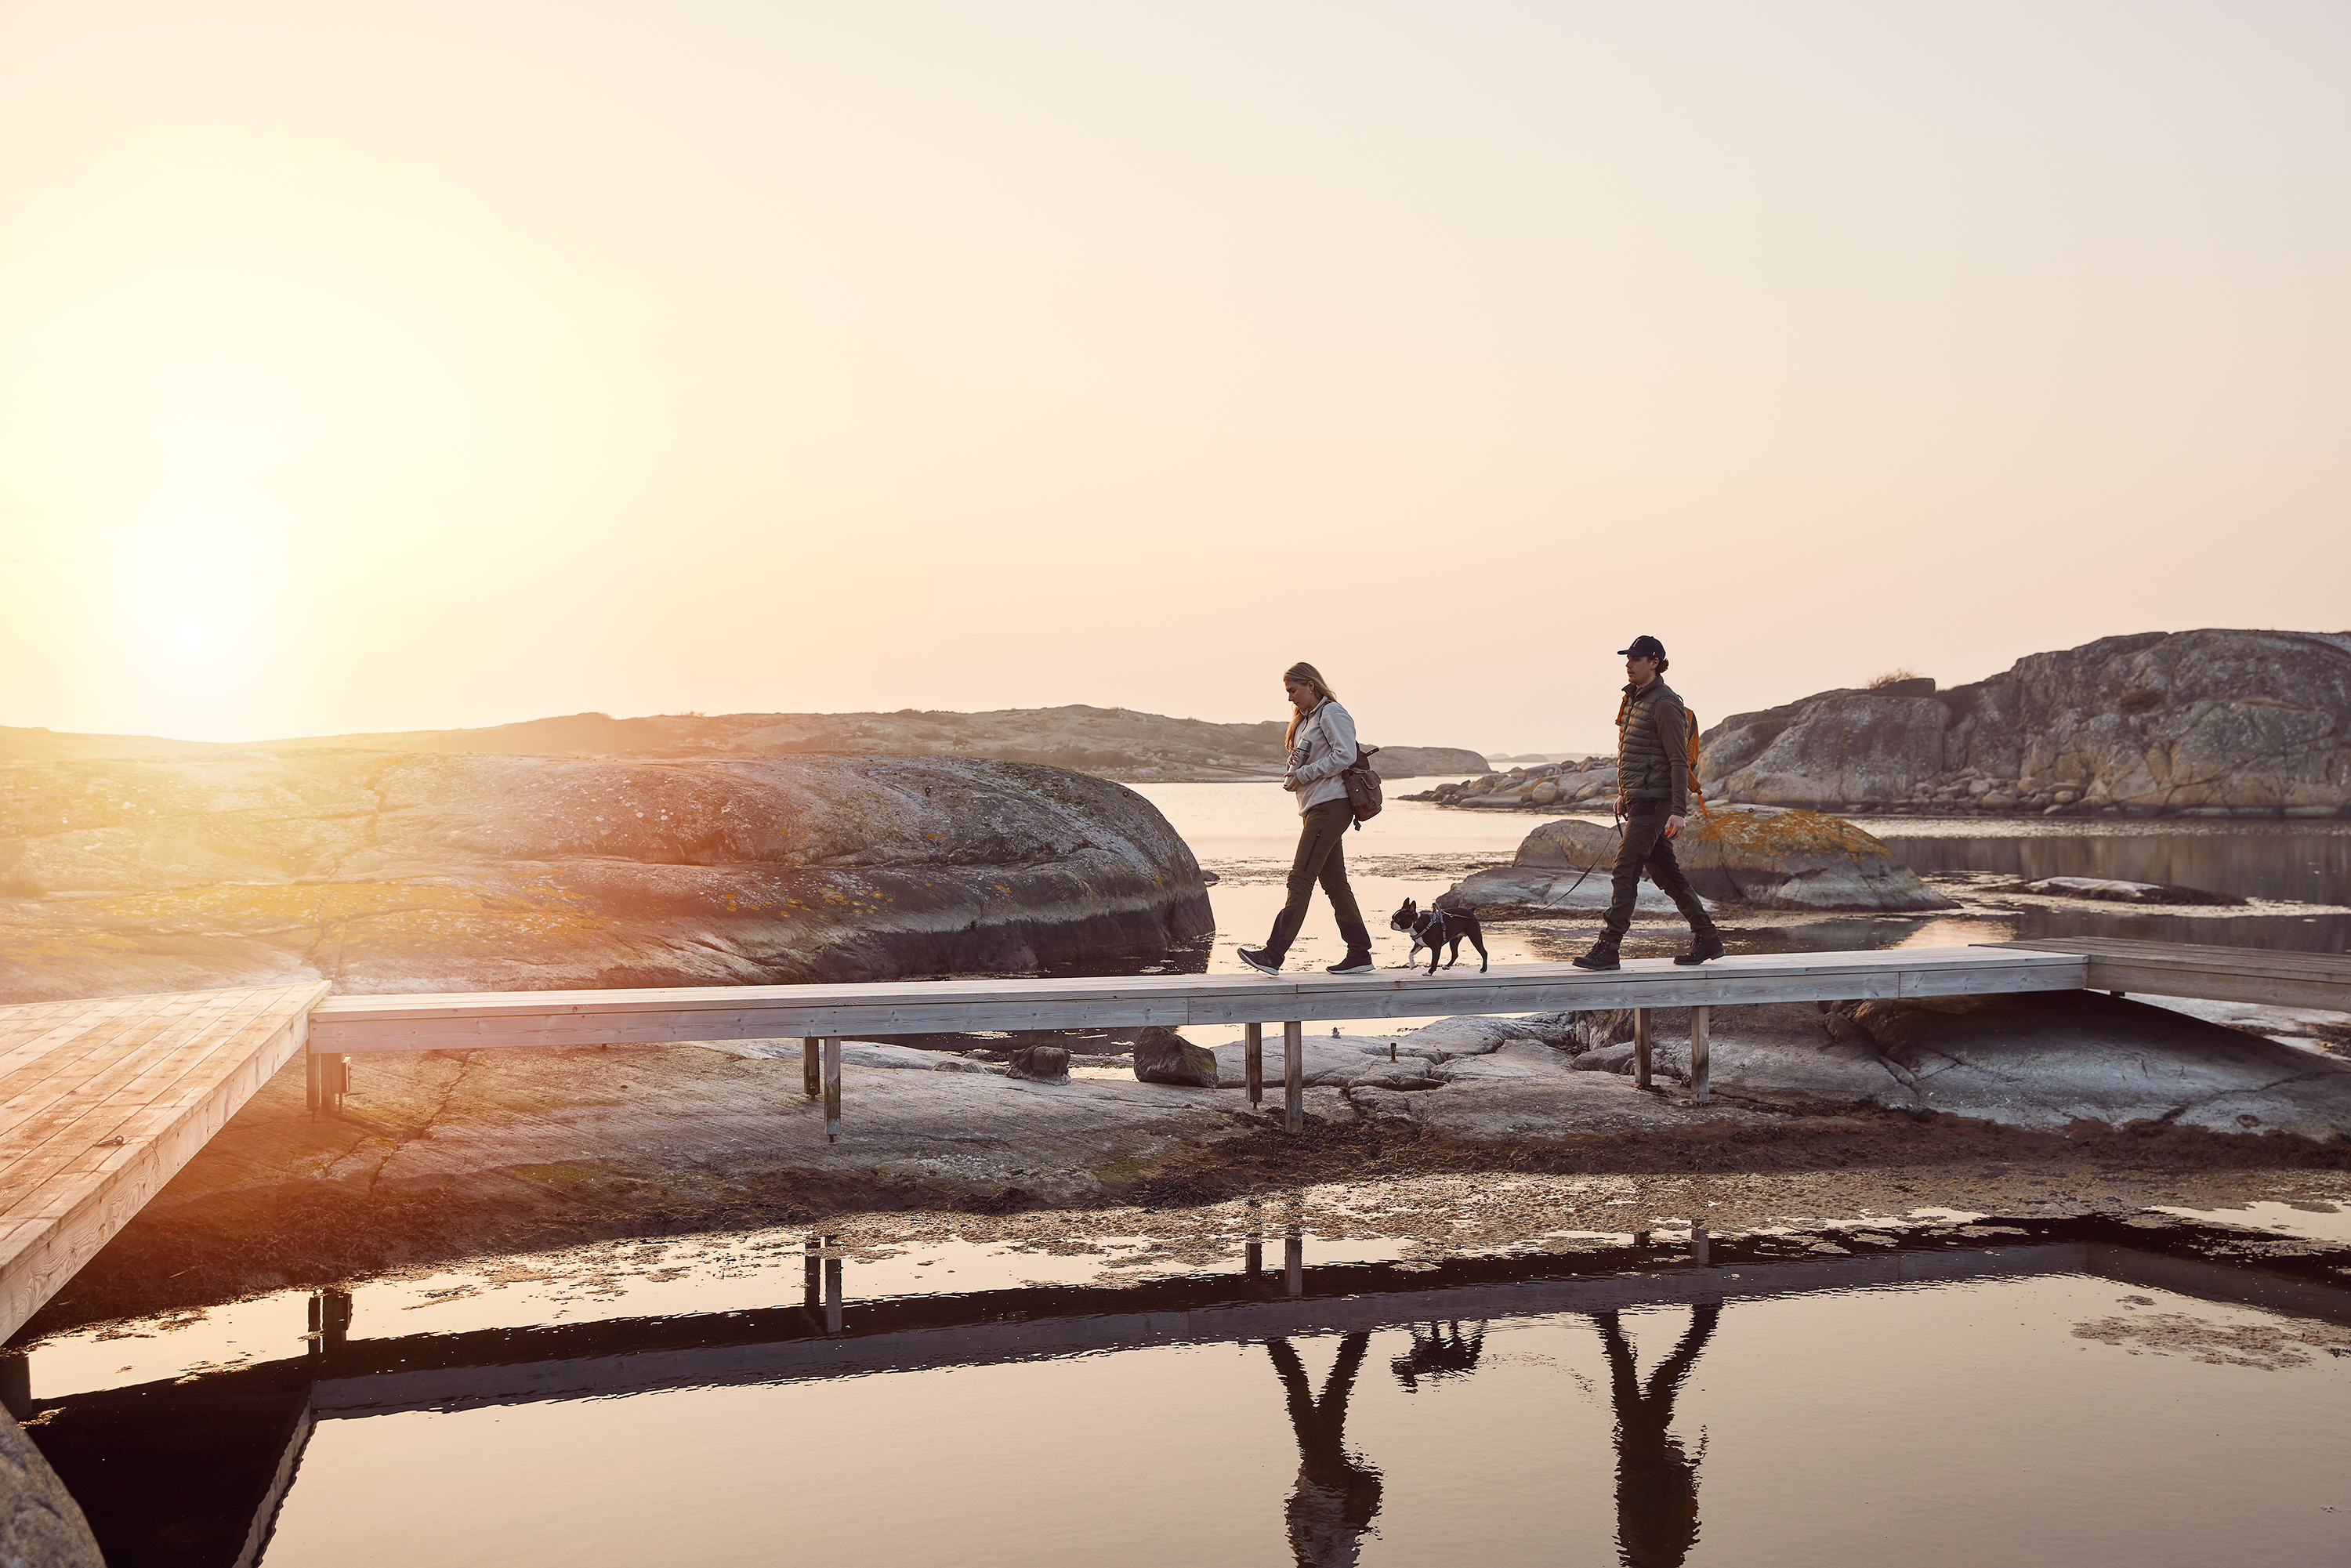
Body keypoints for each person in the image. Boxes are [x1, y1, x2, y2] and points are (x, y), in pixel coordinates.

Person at [1572, 636, 1724, 971]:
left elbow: (1678, 760)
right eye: (1628, 659)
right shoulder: (1635, 701)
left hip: (1658, 803)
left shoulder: (1666, 704)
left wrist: (1678, 811)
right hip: (1641, 799)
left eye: (1636, 659)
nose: (1629, 664)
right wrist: (1625, 793)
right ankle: (1708, 936)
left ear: (1654, 663)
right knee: (1667, 874)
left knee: (1625, 868)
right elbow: (1637, 754)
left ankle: (1609, 946)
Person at [1237, 662, 1375, 976]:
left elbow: (1345, 756)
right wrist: (1294, 776)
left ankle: (1273, 955)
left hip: (1332, 806)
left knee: (1300, 878)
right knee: (1335, 882)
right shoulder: (1304, 722)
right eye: (1287, 693)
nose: (1290, 699)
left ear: (1311, 685)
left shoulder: (1333, 713)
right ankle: (1360, 953)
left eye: (1293, 691)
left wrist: (1304, 773)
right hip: (1316, 808)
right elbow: (1307, 767)